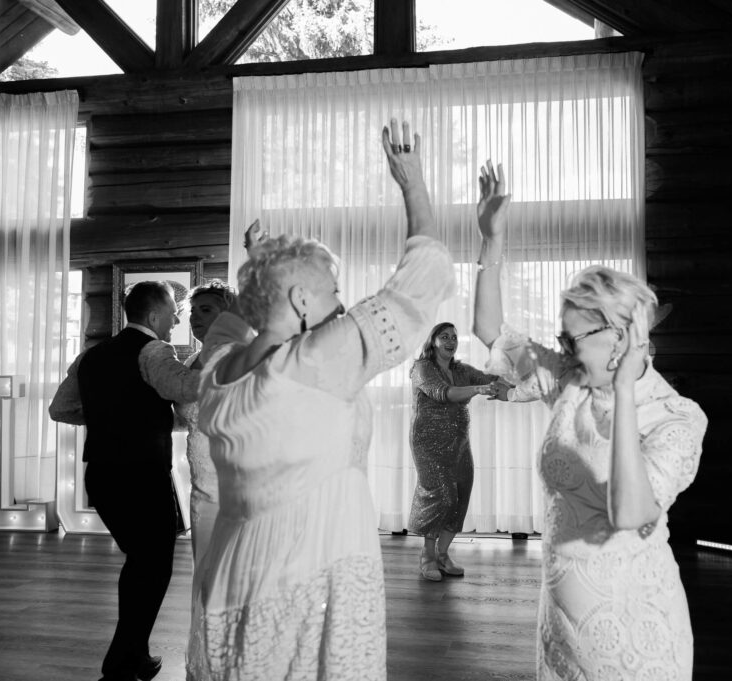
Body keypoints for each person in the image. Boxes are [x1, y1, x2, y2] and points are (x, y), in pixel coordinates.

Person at [190, 118, 454, 680]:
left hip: (235, 574)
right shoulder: (308, 366)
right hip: (309, 572)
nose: (342, 305)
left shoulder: (219, 372)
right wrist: (412, 185)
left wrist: (262, 262)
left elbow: (254, 324)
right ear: (301, 299)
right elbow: (421, 281)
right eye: (332, 292)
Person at [472, 162, 708, 680]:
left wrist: (623, 392)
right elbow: (491, 331)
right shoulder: (570, 380)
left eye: (572, 339)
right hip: (561, 629)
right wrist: (491, 241)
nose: (562, 349)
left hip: (635, 636)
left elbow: (629, 512)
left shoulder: (676, 418)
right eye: (562, 338)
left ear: (621, 339)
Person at [49, 281, 200, 681]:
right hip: (141, 475)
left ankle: (131, 656)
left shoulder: (91, 356)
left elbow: (60, 409)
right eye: (172, 313)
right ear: (153, 316)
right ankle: (121, 662)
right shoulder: (156, 351)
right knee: (153, 567)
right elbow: (182, 394)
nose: (177, 319)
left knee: (142, 564)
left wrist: (106, 419)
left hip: (101, 475)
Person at [175, 279, 252, 681]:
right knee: (205, 575)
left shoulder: (240, 355)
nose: (196, 318)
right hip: (202, 491)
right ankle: (205, 665)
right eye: (193, 312)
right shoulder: (190, 363)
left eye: (206, 310)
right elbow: (180, 415)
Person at [407, 322, 507, 581]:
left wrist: (517, 376)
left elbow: (491, 381)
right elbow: (443, 393)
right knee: (442, 495)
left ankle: (442, 554)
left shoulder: (460, 369)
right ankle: (426, 556)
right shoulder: (422, 368)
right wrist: (477, 390)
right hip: (428, 442)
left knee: (461, 494)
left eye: (454, 337)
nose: (451, 341)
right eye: (444, 337)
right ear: (433, 341)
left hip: (459, 442)